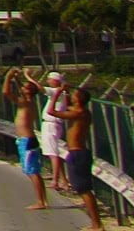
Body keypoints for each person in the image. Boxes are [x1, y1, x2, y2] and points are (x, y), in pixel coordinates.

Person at [3, 68, 50, 210]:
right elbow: (22, 89)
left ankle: (41, 201)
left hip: (27, 141)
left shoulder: (24, 102)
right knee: (33, 171)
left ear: (28, 91)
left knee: (32, 172)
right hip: (27, 140)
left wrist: (8, 77)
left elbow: (6, 92)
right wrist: (16, 78)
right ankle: (42, 199)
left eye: (25, 87)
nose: (22, 87)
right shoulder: (29, 101)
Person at [61, 81, 101, 231]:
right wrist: (65, 93)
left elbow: (52, 111)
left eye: (73, 95)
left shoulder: (79, 113)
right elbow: (66, 107)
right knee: (82, 189)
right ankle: (95, 224)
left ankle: (97, 225)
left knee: (84, 190)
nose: (71, 96)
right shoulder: (81, 111)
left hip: (78, 153)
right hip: (76, 153)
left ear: (78, 99)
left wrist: (58, 93)